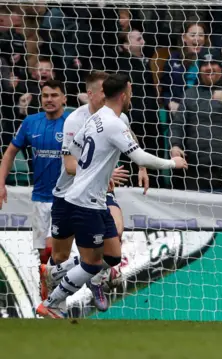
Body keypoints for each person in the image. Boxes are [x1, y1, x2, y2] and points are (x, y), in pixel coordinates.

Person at [36, 74, 187, 318]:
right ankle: (52, 302)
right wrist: (173, 162)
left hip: (91, 197)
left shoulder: (97, 118)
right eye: (131, 91)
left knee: (113, 256)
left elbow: (76, 149)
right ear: (124, 95)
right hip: (85, 201)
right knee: (92, 263)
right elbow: (139, 157)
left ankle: (56, 272)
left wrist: (93, 169)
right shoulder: (111, 123)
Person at [42, 72, 149, 312]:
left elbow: (130, 138)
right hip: (68, 194)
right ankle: (57, 288)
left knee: (113, 245)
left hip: (99, 194)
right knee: (60, 256)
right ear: (90, 94)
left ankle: (96, 279)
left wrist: (141, 166)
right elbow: (70, 167)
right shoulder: (74, 120)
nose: (108, 94)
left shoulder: (117, 116)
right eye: (103, 90)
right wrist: (101, 173)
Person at [0, 79, 69, 298]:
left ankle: (57, 293)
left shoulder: (73, 122)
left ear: (64, 98)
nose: (49, 100)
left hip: (66, 197)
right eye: (45, 96)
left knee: (53, 251)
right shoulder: (31, 122)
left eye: (54, 95)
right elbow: (10, 152)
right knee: (44, 254)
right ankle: (49, 293)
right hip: (39, 197)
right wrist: (1, 183)